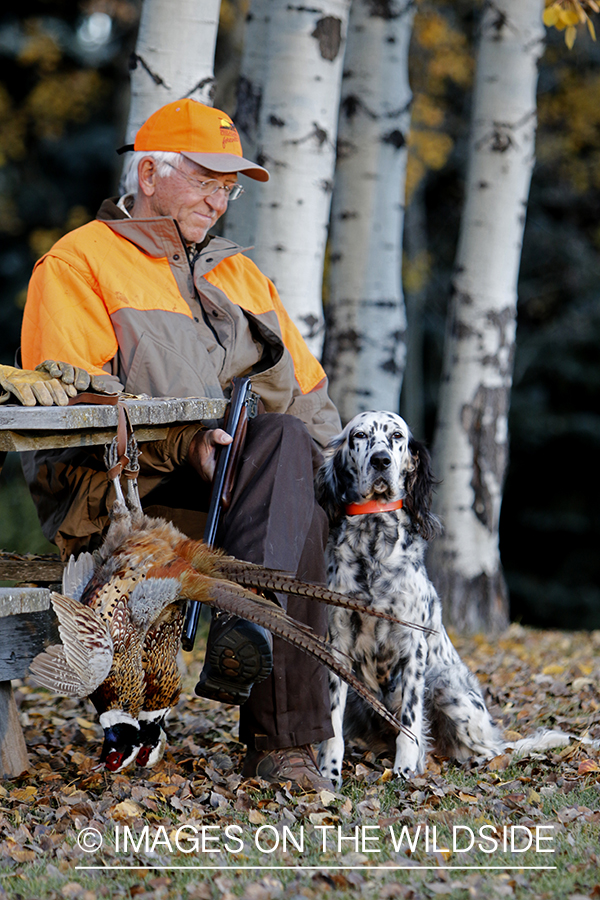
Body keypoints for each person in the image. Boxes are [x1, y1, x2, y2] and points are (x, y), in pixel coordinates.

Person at [20, 99, 342, 791]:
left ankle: (251, 649)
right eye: (205, 180)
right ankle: (284, 742)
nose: (219, 200)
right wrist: (187, 446)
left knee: (291, 448)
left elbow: (307, 401)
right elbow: (71, 408)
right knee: (288, 498)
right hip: (129, 499)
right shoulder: (79, 262)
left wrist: (353, 489)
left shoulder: (242, 279)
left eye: (228, 188)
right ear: (149, 172)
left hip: (242, 497)